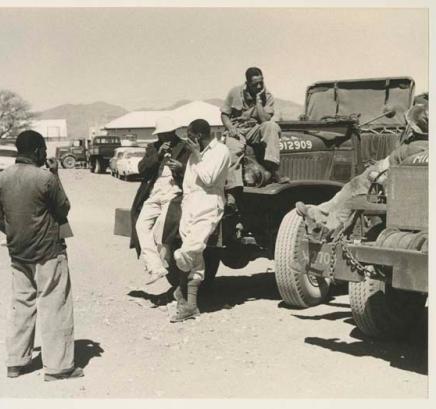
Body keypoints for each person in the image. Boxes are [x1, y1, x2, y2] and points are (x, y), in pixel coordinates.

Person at [0, 130, 83, 381]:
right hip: (48, 251)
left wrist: (14, 233)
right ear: (37, 151)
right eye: (43, 150)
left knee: (21, 304)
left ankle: (16, 362)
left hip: (18, 252)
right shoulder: (45, 179)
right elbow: (63, 208)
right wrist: (56, 174)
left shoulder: (1, 178)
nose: (45, 155)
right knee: (54, 304)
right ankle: (59, 367)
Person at [296, 104, 429, 238]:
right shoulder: (420, 148)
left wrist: (375, 174)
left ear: (412, 129)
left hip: (393, 189)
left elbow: (385, 170)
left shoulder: (410, 148)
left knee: (355, 190)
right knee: (356, 187)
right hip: (403, 189)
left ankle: (327, 224)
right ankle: (322, 213)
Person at [171, 119, 231, 322]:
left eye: (189, 135)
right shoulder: (196, 155)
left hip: (207, 204)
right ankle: (191, 305)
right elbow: (189, 182)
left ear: (197, 136)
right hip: (190, 205)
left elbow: (209, 179)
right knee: (195, 255)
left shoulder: (220, 151)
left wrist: (196, 155)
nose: (187, 140)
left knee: (189, 249)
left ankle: (180, 289)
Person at [130, 117, 190, 284]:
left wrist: (181, 168)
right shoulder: (153, 147)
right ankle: (155, 267)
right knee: (141, 225)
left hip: (174, 192)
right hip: (155, 192)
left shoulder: (185, 147)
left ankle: (163, 261)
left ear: (173, 132)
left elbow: (194, 172)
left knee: (162, 228)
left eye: (166, 134)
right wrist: (157, 156)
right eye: (161, 135)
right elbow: (142, 169)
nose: (163, 138)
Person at [221, 66, 289, 196]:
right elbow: (224, 115)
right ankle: (233, 192)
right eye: (255, 84)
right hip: (237, 129)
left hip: (254, 128)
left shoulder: (267, 96)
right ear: (247, 83)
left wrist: (258, 102)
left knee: (272, 126)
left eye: (261, 82)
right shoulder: (234, 92)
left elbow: (265, 120)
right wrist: (230, 128)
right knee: (233, 150)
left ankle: (273, 170)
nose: (259, 86)